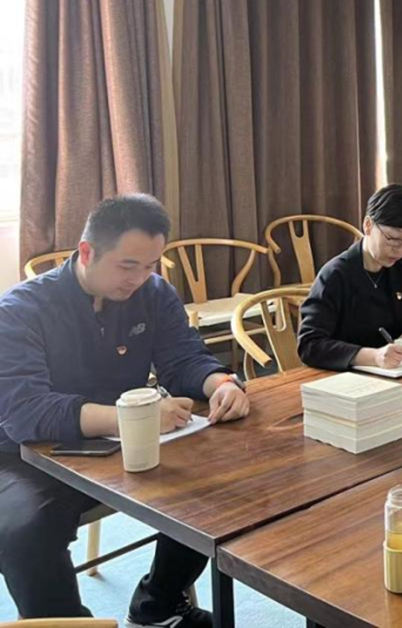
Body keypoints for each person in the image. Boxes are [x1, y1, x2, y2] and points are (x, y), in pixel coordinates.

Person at [0, 195, 250, 627]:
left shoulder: (153, 293)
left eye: (150, 265)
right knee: (25, 532)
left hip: (121, 441)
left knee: (218, 476)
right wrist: (136, 418)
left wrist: (222, 383)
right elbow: (26, 412)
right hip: (26, 454)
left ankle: (158, 603)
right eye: (127, 265)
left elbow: (183, 358)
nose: (139, 278)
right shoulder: (21, 310)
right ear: (87, 252)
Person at [298, 184, 402, 371]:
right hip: (351, 378)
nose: (400, 250)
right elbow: (310, 345)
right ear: (368, 225)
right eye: (393, 239)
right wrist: (373, 356)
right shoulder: (335, 276)